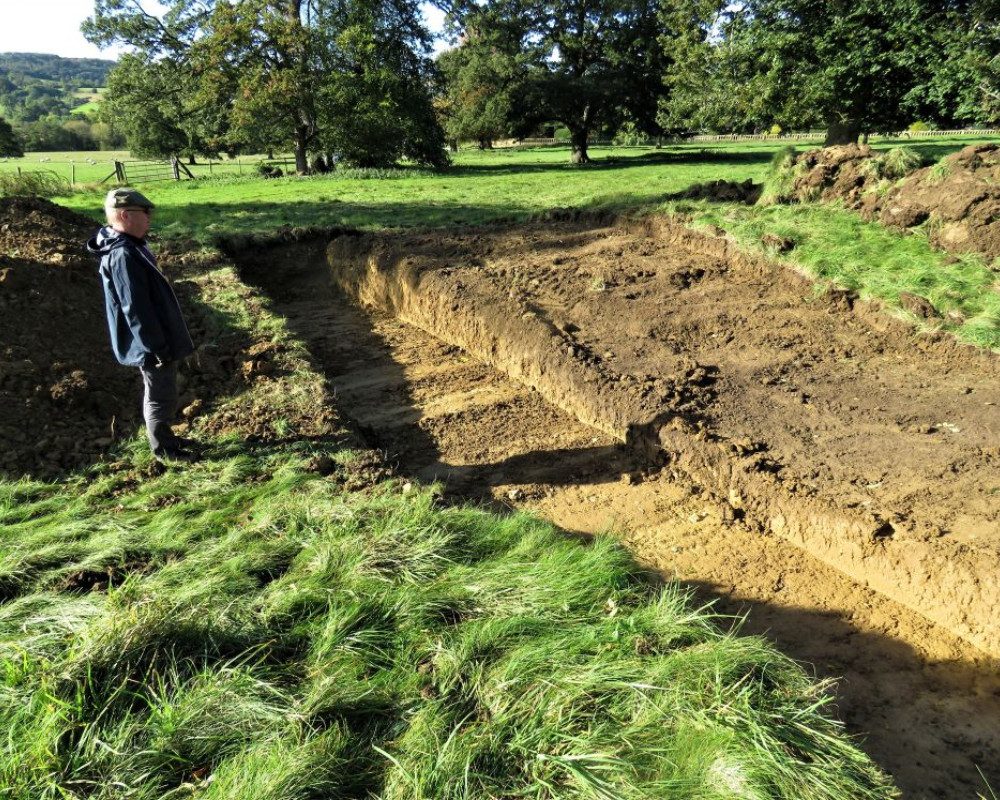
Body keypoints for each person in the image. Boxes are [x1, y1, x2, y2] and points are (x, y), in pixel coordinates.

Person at [87, 188, 198, 463]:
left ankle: (166, 440)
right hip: (149, 344)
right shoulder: (123, 254)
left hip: (154, 339)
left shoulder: (130, 246)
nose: (150, 217)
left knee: (164, 392)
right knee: (160, 395)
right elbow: (135, 309)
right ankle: (164, 451)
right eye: (145, 212)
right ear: (125, 215)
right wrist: (156, 347)